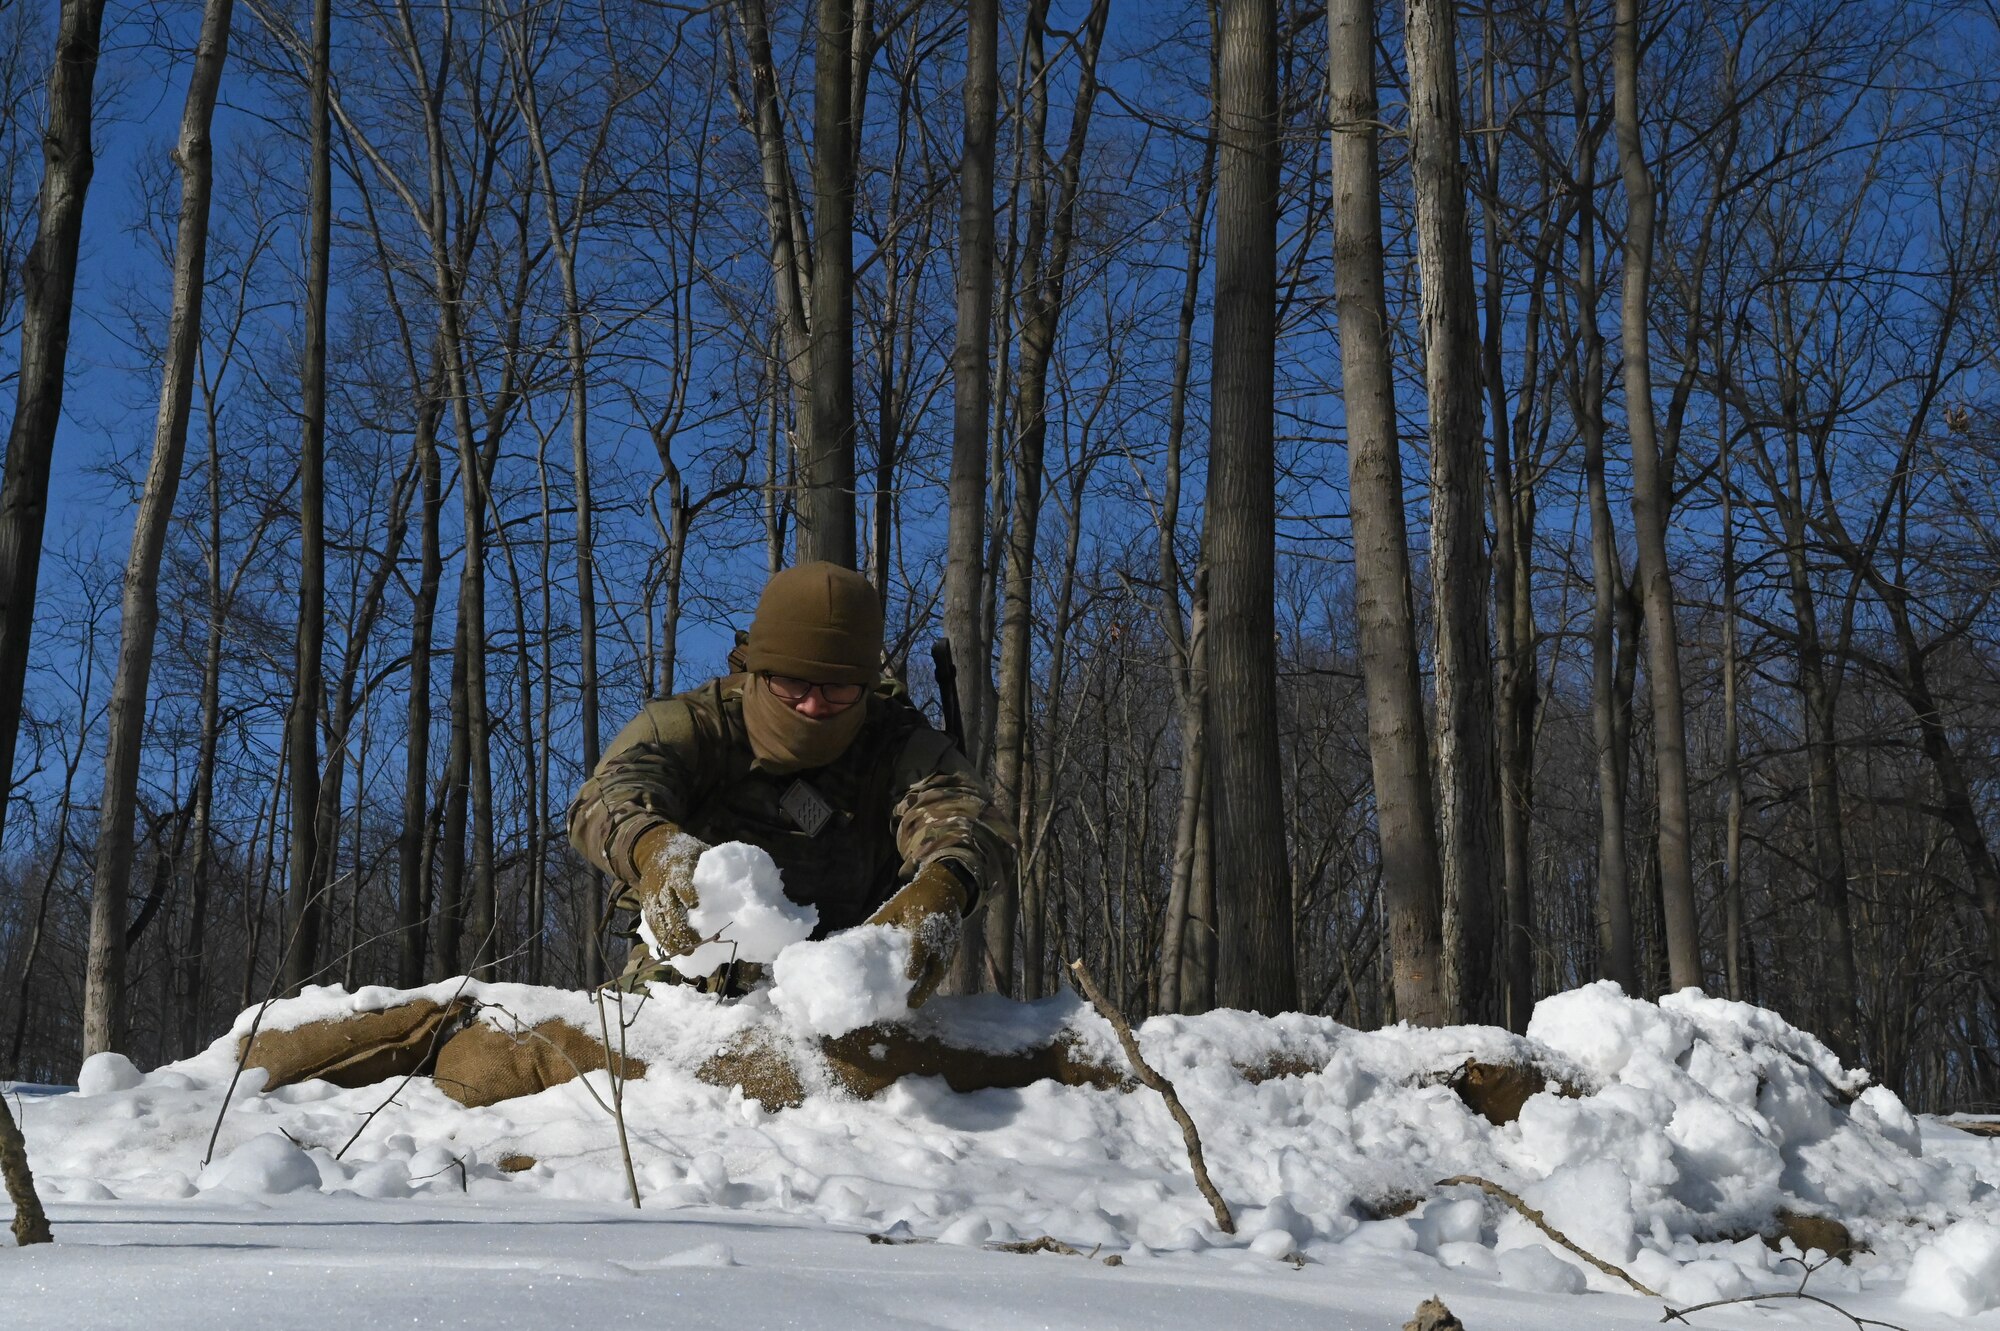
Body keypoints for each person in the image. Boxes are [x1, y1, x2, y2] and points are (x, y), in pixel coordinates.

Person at [566, 562, 1011, 1004]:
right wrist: (655, 848)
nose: (813, 706)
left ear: (866, 684)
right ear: (760, 671)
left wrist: (944, 885)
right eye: (793, 683)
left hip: (849, 987)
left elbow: (964, 816)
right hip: (689, 980)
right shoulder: (699, 728)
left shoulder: (895, 744)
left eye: (839, 688)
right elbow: (608, 796)